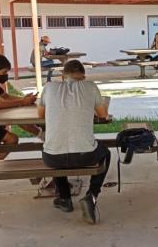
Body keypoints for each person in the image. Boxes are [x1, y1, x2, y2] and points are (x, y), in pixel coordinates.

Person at [38, 60, 111, 224]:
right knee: (106, 153)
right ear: (83, 77)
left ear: (62, 76)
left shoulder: (49, 87)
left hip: (53, 158)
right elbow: (102, 115)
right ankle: (91, 196)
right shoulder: (90, 87)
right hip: (85, 155)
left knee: (55, 146)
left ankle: (65, 198)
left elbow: (40, 114)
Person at [0, 55, 44, 193]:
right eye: (4, 72)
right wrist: (22, 102)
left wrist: (25, 99)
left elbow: (6, 97)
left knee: (17, 116)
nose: (5, 75)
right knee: (12, 139)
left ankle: (44, 138)